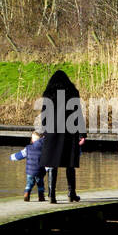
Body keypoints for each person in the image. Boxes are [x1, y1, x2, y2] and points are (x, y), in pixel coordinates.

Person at [37, 69, 86, 203]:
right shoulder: (73, 93)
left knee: (52, 163)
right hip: (69, 132)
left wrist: (44, 128)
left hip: (53, 132)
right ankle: (71, 193)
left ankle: (52, 195)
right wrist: (82, 133)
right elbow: (78, 114)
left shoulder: (49, 94)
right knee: (70, 163)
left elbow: (44, 115)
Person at [10, 129, 46, 201]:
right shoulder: (44, 149)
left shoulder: (28, 148)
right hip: (40, 171)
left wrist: (11, 157)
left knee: (29, 184)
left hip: (30, 172)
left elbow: (19, 155)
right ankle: (41, 196)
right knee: (40, 184)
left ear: (32, 140)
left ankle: (26, 194)